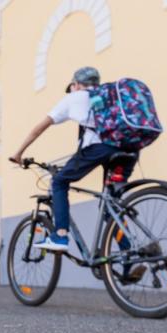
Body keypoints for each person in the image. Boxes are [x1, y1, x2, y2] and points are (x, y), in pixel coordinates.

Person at [9, 66, 137, 252]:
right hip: (129, 149)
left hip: (99, 149)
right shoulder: (110, 96)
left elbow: (39, 128)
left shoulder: (73, 97)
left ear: (76, 85)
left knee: (59, 182)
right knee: (111, 205)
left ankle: (60, 235)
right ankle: (129, 256)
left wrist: (18, 153)